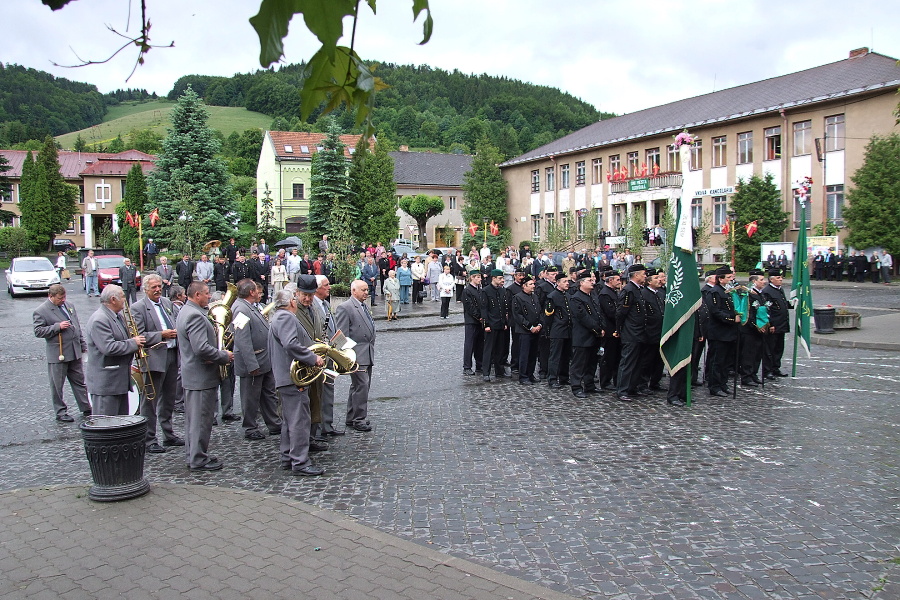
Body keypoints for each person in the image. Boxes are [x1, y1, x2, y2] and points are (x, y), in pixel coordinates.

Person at [267, 289, 326, 476]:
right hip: (291, 378)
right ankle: (300, 462)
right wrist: (312, 358)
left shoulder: (278, 317)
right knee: (299, 420)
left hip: (285, 377)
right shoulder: (285, 317)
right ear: (290, 302)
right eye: (293, 298)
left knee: (290, 420)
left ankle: (288, 456)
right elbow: (291, 344)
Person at [176, 282, 234, 471]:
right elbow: (200, 348)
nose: (209, 297)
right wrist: (223, 356)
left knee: (195, 420)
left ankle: (194, 454)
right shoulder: (194, 315)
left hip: (194, 375)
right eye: (207, 294)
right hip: (200, 376)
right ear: (198, 294)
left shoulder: (187, 311)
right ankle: (197, 459)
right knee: (201, 420)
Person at [132, 274, 183, 454]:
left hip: (172, 355)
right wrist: (162, 335)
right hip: (153, 357)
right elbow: (138, 335)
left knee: (169, 398)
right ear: (146, 289)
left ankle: (168, 434)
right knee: (150, 401)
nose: (157, 290)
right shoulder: (138, 308)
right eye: (153, 287)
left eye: (159, 286)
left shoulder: (167, 304)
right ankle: (149, 438)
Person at [32, 284, 92, 422]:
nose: (63, 300)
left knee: (79, 381)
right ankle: (60, 412)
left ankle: (86, 407)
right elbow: (38, 331)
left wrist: (82, 344)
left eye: (64, 297)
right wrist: (56, 327)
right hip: (58, 353)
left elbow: (76, 326)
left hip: (74, 350)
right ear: (51, 296)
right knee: (57, 385)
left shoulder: (69, 305)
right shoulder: (41, 311)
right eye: (60, 298)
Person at [232, 278, 282, 441]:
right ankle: (250, 427)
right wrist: (251, 363)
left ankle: (274, 423)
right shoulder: (240, 308)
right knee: (250, 397)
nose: (259, 292)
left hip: (264, 359)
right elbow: (242, 339)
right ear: (251, 292)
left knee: (268, 394)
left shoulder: (250, 306)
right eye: (256, 290)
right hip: (253, 361)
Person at [85, 285, 145, 416]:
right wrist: (133, 342)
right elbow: (108, 348)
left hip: (119, 382)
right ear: (113, 299)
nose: (125, 299)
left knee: (120, 424)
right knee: (106, 426)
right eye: (123, 296)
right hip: (107, 384)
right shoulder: (99, 320)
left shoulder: (116, 316)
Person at [292, 276, 329, 451]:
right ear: (297, 293)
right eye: (304, 295)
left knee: (316, 401)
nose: (307, 299)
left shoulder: (314, 307)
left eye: (311, 295)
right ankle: (300, 443)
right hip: (300, 365)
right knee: (301, 407)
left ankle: (311, 437)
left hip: (316, 364)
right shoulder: (292, 310)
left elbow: (321, 330)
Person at [334, 280, 377, 432]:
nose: (367, 292)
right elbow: (341, 335)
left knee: (359, 386)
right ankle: (359, 419)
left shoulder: (363, 306)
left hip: (367, 352)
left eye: (367, 290)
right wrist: (347, 357)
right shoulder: (345, 307)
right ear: (354, 291)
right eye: (363, 290)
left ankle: (351, 417)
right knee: (362, 386)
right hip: (356, 355)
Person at [312, 275, 344, 437]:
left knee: (329, 390)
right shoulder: (312, 305)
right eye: (326, 285)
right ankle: (318, 429)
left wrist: (341, 348)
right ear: (317, 288)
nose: (329, 287)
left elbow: (333, 328)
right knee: (318, 393)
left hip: (330, 355)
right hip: (319, 357)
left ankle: (327, 425)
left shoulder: (325, 304)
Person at [705, 266, 740, 396]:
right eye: (729, 277)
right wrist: (732, 318)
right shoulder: (715, 292)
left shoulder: (729, 291)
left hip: (730, 332)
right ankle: (714, 386)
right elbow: (715, 311)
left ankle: (723, 383)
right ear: (720, 279)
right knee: (717, 361)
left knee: (726, 361)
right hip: (719, 332)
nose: (732, 279)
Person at [615, 265, 648, 401]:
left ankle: (632, 387)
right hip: (631, 332)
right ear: (636, 275)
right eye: (643, 274)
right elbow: (621, 312)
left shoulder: (638, 290)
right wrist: (619, 329)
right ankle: (622, 390)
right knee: (628, 362)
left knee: (638, 362)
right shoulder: (629, 290)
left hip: (640, 331)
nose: (645, 276)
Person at [570, 271, 604, 398]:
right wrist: (596, 328)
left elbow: (599, 313)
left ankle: (589, 385)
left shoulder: (593, 295)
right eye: (589, 280)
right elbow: (583, 317)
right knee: (579, 363)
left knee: (592, 362)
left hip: (595, 335)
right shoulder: (576, 298)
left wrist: (601, 327)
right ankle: (576, 387)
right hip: (583, 335)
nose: (592, 282)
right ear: (581, 283)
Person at [480, 269, 510, 382]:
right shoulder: (486, 291)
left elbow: (504, 308)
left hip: (501, 324)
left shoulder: (502, 291)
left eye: (502, 278)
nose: (502, 280)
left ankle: (499, 371)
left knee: (500, 349)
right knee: (489, 349)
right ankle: (486, 372)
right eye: (500, 278)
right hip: (491, 325)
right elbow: (484, 309)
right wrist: (486, 324)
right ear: (493, 278)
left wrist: (505, 323)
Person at [512, 275, 542, 385]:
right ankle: (523, 375)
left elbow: (539, 311)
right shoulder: (518, 297)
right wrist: (530, 327)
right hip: (524, 331)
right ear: (524, 286)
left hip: (536, 329)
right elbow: (518, 315)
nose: (533, 286)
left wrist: (539, 325)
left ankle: (530, 374)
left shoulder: (534, 297)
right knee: (524, 354)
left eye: (533, 284)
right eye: (531, 284)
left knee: (533, 354)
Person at [761, 269, 791, 380]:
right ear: (771, 279)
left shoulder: (780, 290)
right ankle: (767, 370)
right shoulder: (767, 291)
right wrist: (771, 324)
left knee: (779, 348)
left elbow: (782, 304)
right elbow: (767, 309)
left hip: (782, 324)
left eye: (781, 277)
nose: (781, 279)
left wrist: (792, 303)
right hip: (774, 325)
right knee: (770, 348)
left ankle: (775, 367)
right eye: (778, 278)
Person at [740, 273, 768, 387]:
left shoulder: (761, 294)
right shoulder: (749, 294)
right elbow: (748, 311)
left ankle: (753, 373)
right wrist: (756, 325)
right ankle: (746, 376)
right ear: (754, 281)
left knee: (757, 353)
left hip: (760, 329)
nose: (764, 281)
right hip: (750, 329)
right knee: (749, 354)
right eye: (761, 280)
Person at [545, 273, 572, 390]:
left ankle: (564, 377)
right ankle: (552, 378)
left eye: (568, 281)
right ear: (558, 283)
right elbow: (549, 315)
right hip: (557, 329)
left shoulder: (569, 295)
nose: (567, 283)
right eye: (564, 282)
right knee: (555, 356)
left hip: (568, 329)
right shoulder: (552, 296)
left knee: (566, 355)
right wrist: (548, 330)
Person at [597, 270, 622, 390]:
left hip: (616, 329)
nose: (619, 282)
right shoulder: (604, 294)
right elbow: (611, 312)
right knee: (607, 357)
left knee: (616, 356)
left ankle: (616, 379)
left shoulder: (613, 292)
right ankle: (605, 381)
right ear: (610, 280)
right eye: (617, 280)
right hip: (609, 330)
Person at [462, 270, 484, 376]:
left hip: (480, 321)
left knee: (480, 344)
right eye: (478, 277)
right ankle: (467, 366)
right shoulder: (467, 291)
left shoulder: (480, 290)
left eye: (480, 277)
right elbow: (469, 307)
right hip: (471, 321)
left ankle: (480, 365)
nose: (480, 279)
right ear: (472, 278)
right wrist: (478, 316)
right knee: (469, 344)